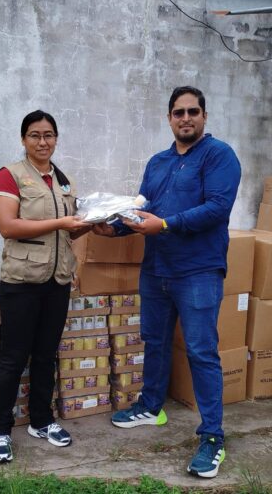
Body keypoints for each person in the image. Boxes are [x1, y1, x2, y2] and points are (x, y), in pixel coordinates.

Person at [94, 86, 241, 478]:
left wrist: (165, 225)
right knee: (155, 341)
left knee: (201, 352)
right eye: (179, 112)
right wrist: (114, 229)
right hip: (156, 269)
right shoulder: (157, 163)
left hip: (198, 271)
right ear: (169, 118)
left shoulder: (219, 155)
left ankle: (213, 437)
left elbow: (217, 208)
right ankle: (151, 406)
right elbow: (144, 211)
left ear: (204, 116)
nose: (186, 118)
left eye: (193, 111)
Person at [0, 109, 91, 463]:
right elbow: (8, 225)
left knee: (47, 355)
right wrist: (61, 222)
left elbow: (70, 231)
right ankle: (0, 430)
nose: (42, 141)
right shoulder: (10, 175)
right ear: (23, 139)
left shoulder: (64, 181)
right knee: (13, 358)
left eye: (48, 135)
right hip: (22, 281)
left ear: (56, 139)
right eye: (35, 135)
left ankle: (41, 421)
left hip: (57, 280)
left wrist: (93, 223)